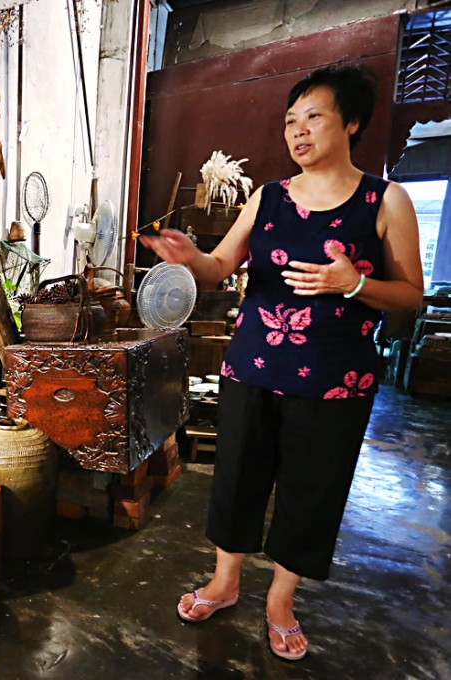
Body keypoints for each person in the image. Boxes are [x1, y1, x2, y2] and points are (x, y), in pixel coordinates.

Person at [141, 64, 423, 661]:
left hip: (336, 378)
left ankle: (280, 601)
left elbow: (410, 295)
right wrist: (191, 257)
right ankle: (225, 582)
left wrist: (353, 283)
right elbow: (220, 267)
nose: (298, 131)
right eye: (291, 120)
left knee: (311, 490)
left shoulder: (384, 200)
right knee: (237, 477)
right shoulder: (267, 197)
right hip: (253, 366)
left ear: (351, 122)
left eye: (313, 117)